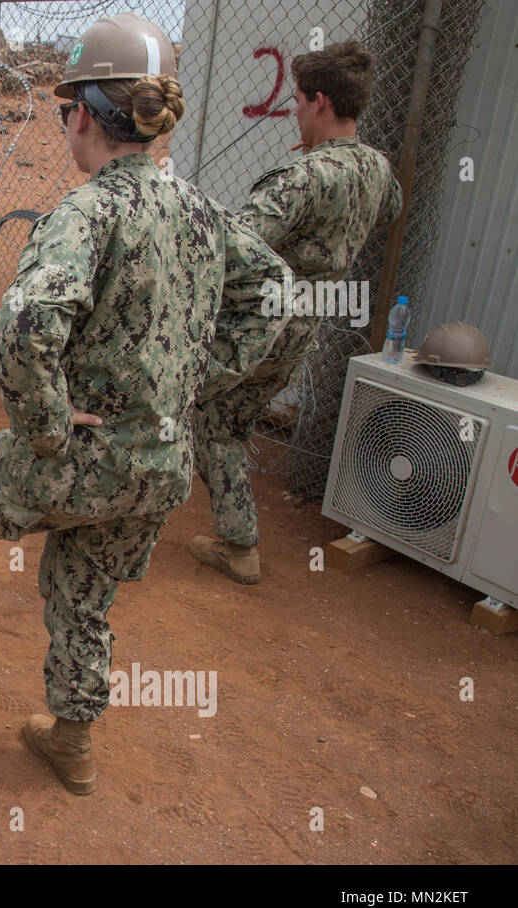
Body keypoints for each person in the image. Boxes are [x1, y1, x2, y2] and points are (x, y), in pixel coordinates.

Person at [0, 14, 283, 796]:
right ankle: (73, 739)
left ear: (83, 113)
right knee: (83, 590)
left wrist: (48, 425)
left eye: (64, 110)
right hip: (159, 467)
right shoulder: (199, 209)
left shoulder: (88, 212)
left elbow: (25, 322)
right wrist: (200, 376)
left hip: (82, 457)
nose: (64, 123)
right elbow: (273, 291)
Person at [188, 40, 403, 585]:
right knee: (228, 420)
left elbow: (234, 244)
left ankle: (230, 541)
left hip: (259, 321)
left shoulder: (305, 177)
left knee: (204, 412)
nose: (296, 110)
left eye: (301, 100)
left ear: (322, 102)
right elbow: (393, 205)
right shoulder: (376, 169)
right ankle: (232, 537)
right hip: (306, 321)